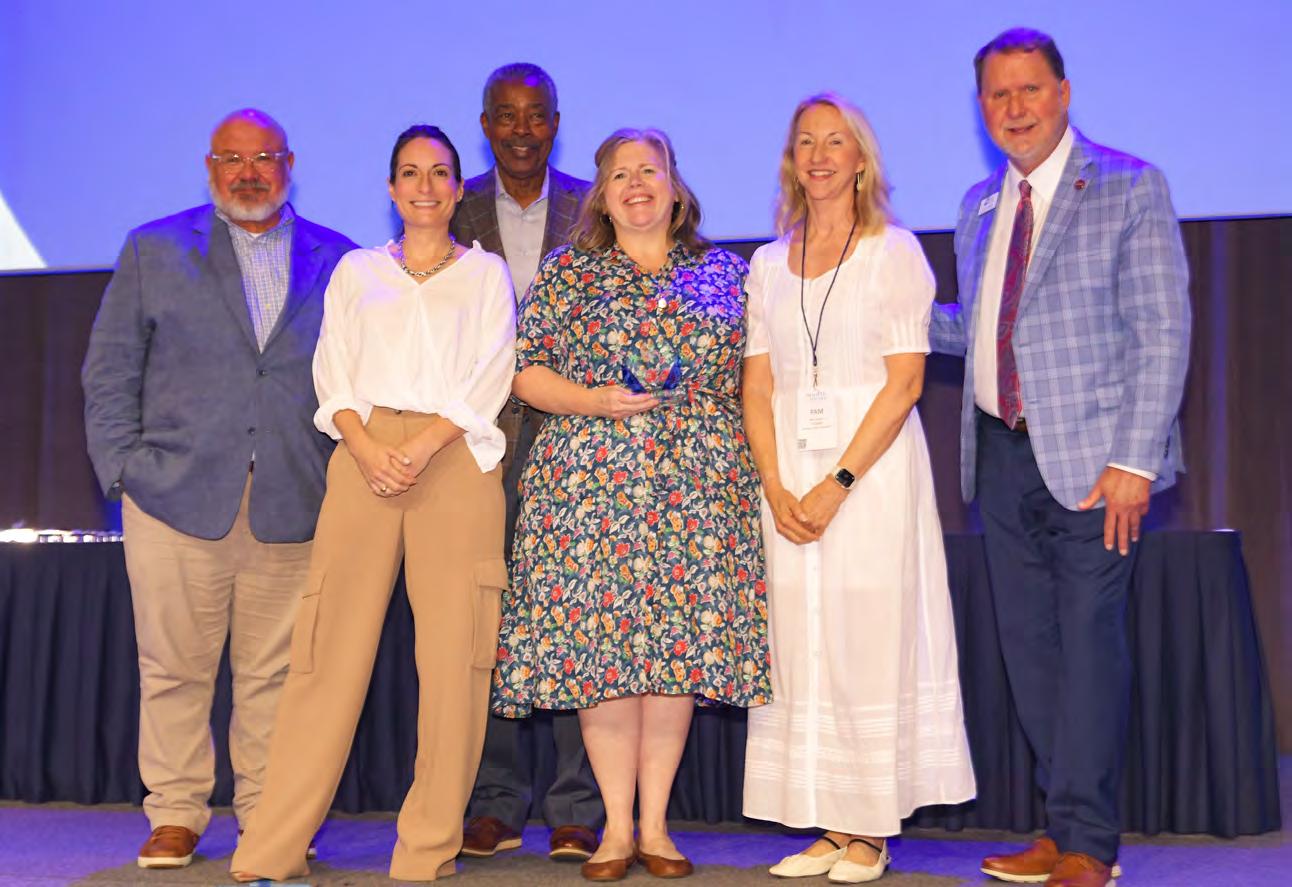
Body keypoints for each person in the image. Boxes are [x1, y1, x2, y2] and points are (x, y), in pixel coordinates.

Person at [930, 28, 1191, 887]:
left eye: (1030, 90)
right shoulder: (978, 205)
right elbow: (980, 328)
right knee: (1030, 651)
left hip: (1096, 464)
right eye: (998, 95)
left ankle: (1089, 844)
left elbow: (1162, 330)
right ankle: (1061, 823)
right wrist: (881, 311)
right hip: (1000, 458)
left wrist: (1135, 461)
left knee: (1087, 649)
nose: (1015, 108)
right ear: (981, 107)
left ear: (1064, 93)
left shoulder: (1127, 185)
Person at [229, 124, 516, 882]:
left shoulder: (486, 275)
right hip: (363, 457)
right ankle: (273, 846)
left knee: (456, 664)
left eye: (440, 173)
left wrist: (422, 446)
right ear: (391, 189)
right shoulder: (357, 271)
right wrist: (365, 447)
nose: (425, 186)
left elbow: (493, 371)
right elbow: (334, 372)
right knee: (325, 655)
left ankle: (426, 849)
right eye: (410, 173)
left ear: (459, 189)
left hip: (455, 459)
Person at [491, 128, 771, 882]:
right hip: (589, 495)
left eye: (651, 170)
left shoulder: (726, 273)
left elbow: (758, 378)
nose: (637, 183)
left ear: (676, 187)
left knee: (673, 659)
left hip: (697, 492)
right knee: (605, 661)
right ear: (602, 196)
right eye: (620, 174)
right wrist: (594, 400)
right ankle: (615, 827)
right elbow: (525, 373)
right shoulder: (568, 272)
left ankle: (657, 826)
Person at [81, 108, 355, 870]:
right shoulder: (154, 249)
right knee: (173, 667)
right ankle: (175, 811)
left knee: (275, 677)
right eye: (232, 159)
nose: (249, 172)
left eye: (264, 157)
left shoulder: (340, 259)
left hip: (292, 499)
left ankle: (266, 815)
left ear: (290, 164)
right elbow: (108, 372)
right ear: (210, 168)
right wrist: (123, 471)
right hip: (173, 497)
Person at [740, 93, 976, 884]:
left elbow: (905, 382)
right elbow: (757, 384)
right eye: (805, 141)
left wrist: (837, 480)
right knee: (804, 643)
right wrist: (775, 483)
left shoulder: (893, 251)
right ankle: (832, 821)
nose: (819, 155)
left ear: (861, 160)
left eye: (834, 141)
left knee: (868, 636)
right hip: (787, 476)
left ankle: (871, 826)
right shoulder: (767, 264)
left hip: (868, 476)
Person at [450, 61, 602, 864]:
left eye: (535, 114)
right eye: (505, 115)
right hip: (475, 449)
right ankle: (495, 800)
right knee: (491, 621)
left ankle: (576, 803)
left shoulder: (597, 205)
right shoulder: (452, 205)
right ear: (484, 125)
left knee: (577, 618)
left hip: (575, 446)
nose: (520, 129)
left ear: (556, 123)